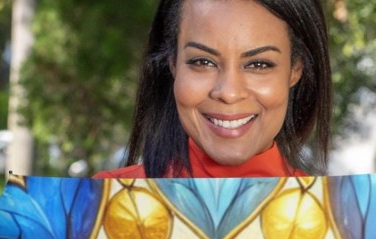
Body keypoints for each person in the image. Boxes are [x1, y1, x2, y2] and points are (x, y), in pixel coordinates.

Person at [93, 0, 332, 179]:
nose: (229, 93)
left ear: (295, 70)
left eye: (259, 64)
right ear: (173, 64)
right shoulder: (101, 206)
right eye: (203, 62)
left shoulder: (336, 221)